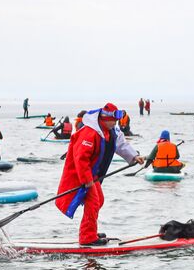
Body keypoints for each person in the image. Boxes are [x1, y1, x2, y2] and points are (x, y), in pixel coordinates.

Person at [56, 104, 144, 246]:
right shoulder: (89, 132)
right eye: (113, 120)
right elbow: (81, 158)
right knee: (93, 201)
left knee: (99, 200)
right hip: (81, 174)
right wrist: (86, 180)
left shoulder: (111, 129)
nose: (116, 123)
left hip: (93, 174)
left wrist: (134, 156)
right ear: (104, 119)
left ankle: (90, 230)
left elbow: (121, 144)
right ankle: (87, 237)